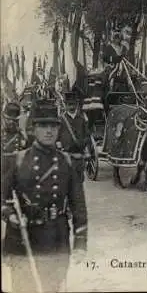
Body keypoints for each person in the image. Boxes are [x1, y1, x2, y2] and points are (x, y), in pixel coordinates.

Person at [1, 98, 87, 293]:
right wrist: (11, 215)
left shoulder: (66, 161)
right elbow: (2, 198)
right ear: (34, 129)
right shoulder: (18, 160)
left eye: (53, 126)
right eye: (43, 126)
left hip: (55, 236)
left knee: (52, 287)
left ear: (58, 130)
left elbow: (78, 204)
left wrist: (80, 241)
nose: (49, 131)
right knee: (23, 287)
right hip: (23, 238)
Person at [57, 91, 91, 186]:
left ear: (76, 105)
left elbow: (87, 135)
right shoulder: (61, 120)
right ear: (66, 105)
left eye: (73, 104)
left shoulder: (82, 119)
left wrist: (83, 143)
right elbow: (57, 138)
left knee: (79, 181)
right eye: (69, 104)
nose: (71, 106)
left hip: (79, 156)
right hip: (66, 155)